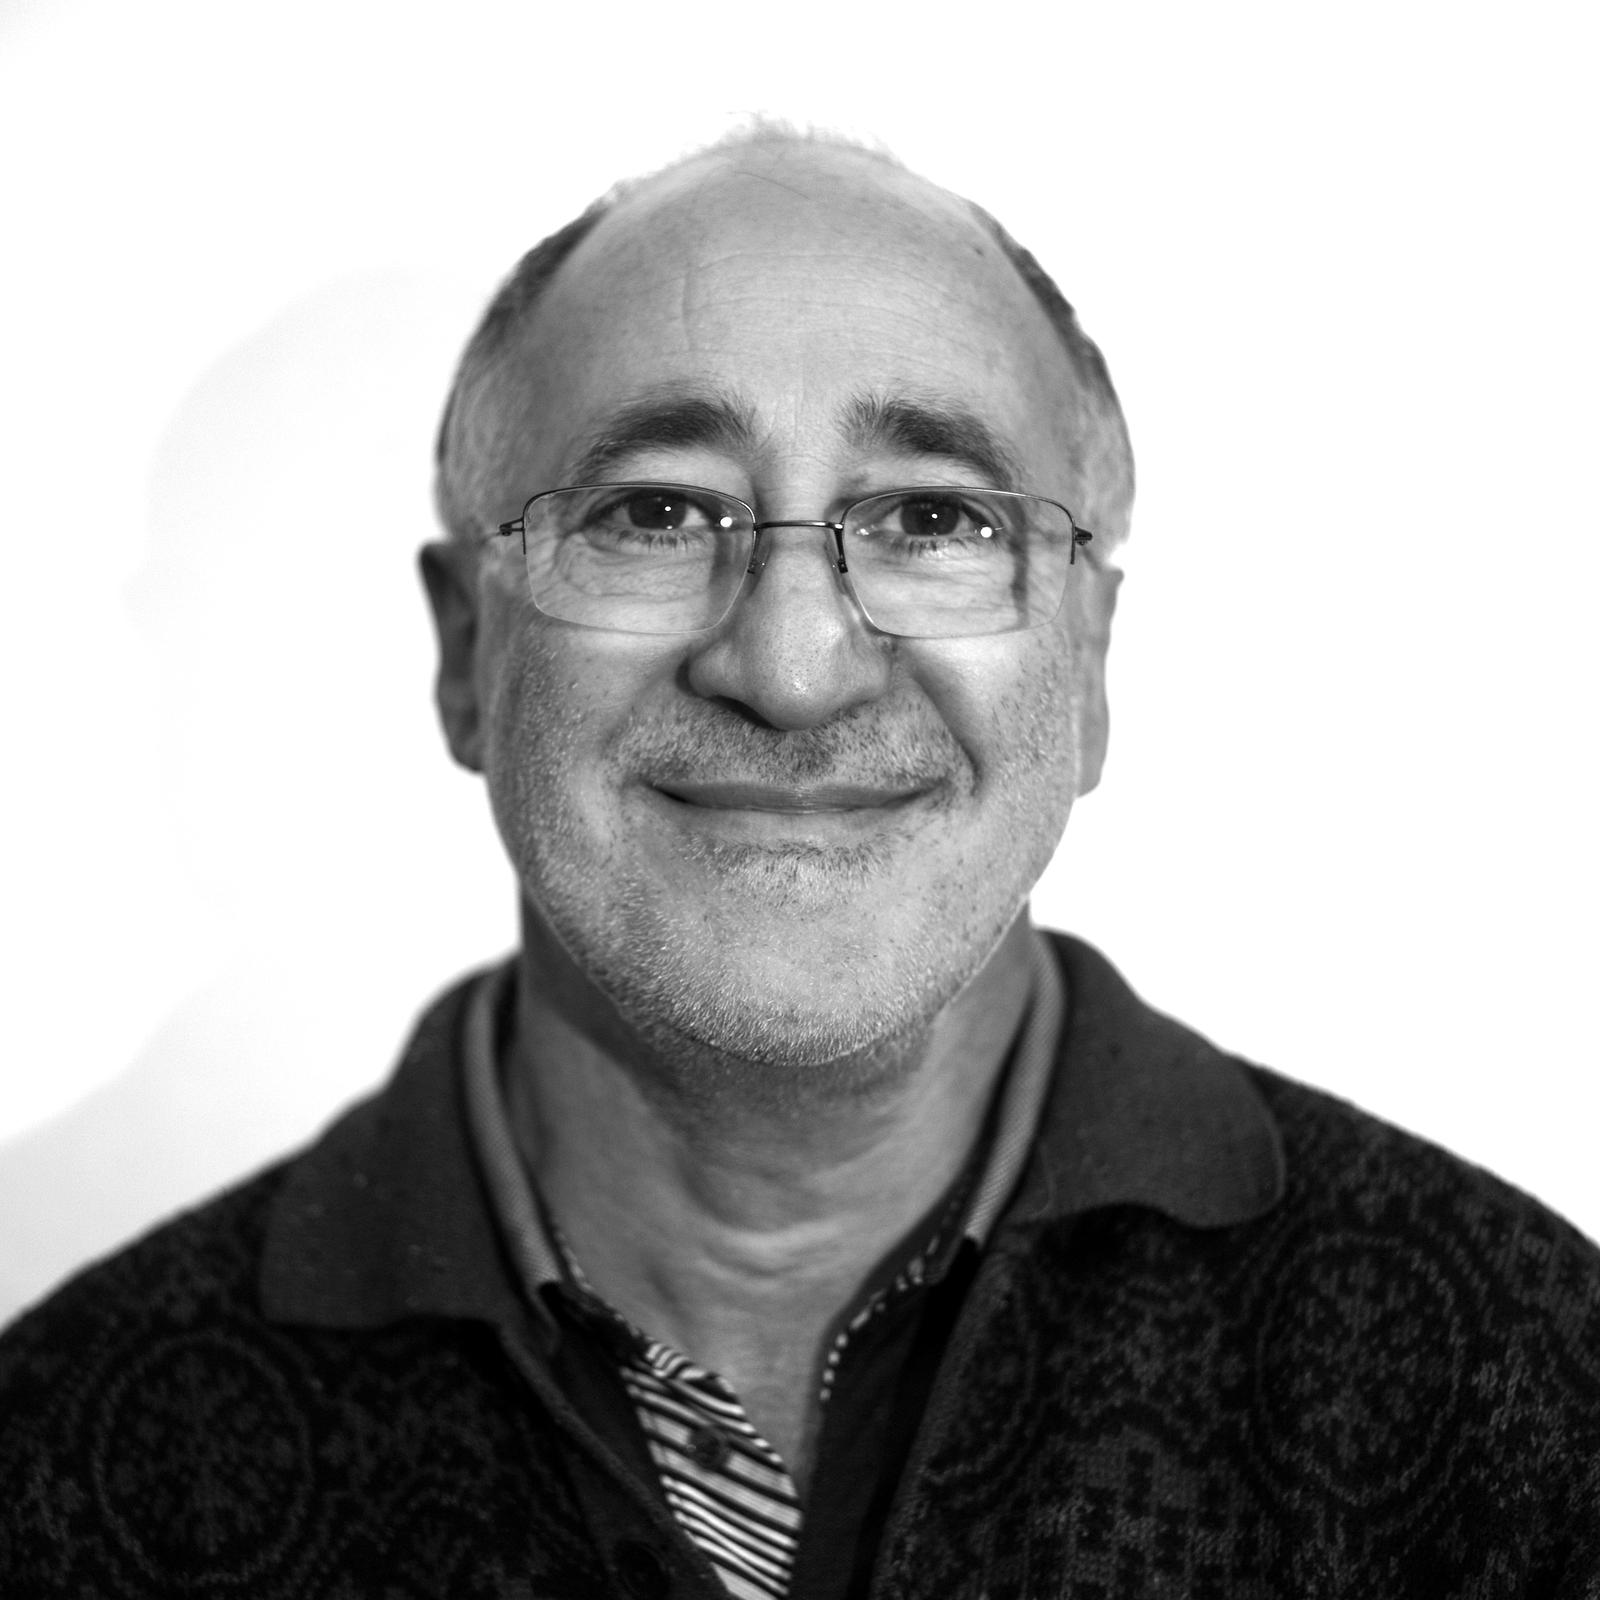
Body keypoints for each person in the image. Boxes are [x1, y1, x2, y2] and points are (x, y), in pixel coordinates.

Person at [2, 127, 1596, 1600]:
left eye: (935, 521)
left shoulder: (1522, 1384)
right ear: (467, 653)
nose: (791, 666)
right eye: (654, 513)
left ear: (1091, 659)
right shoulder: (62, 1468)